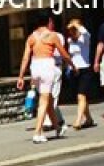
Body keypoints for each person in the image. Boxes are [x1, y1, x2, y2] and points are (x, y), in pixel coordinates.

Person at [17, 13, 73, 143]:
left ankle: (58, 127)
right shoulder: (52, 35)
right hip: (47, 65)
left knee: (48, 98)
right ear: (48, 21)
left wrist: (20, 76)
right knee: (44, 101)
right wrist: (72, 65)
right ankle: (37, 132)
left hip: (34, 66)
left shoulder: (31, 37)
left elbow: (25, 57)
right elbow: (64, 53)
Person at [66, 19, 96, 129]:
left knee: (81, 95)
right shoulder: (70, 40)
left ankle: (78, 120)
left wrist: (76, 24)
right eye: (70, 30)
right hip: (75, 70)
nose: (72, 32)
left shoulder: (85, 38)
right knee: (81, 97)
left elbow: (86, 32)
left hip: (85, 69)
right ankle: (89, 118)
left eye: (74, 29)